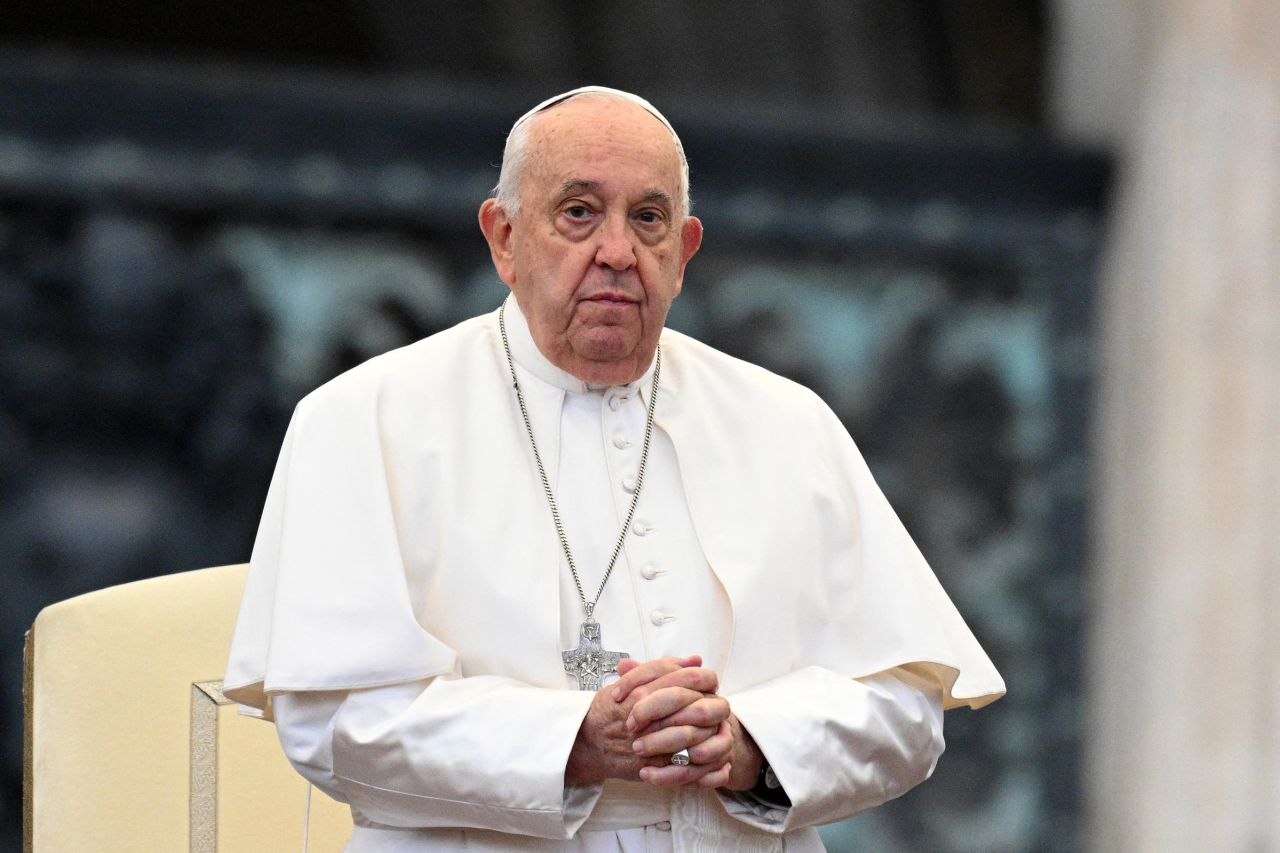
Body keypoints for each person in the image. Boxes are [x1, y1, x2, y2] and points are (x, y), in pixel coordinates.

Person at [225, 86, 1005, 852]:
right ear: (503, 237)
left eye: (648, 218)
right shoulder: (364, 418)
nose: (617, 251)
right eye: (578, 212)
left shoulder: (788, 423)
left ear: (684, 252)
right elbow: (329, 722)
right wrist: (573, 741)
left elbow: (907, 707)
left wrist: (752, 746)